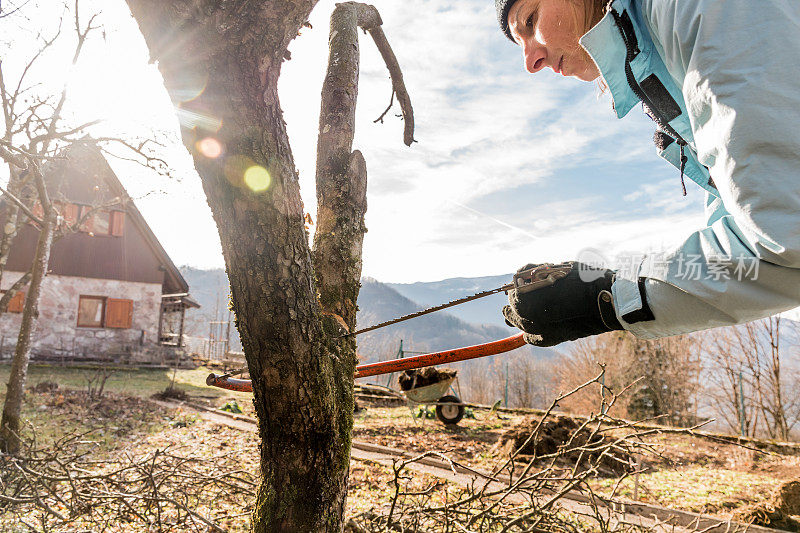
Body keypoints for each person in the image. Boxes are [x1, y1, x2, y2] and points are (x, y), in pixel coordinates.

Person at [496, 0, 800, 347]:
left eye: (531, 21)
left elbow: (782, 236)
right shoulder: (658, 49)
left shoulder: (701, 10)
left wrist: (608, 298)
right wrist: (608, 285)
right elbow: (742, 220)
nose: (531, 62)